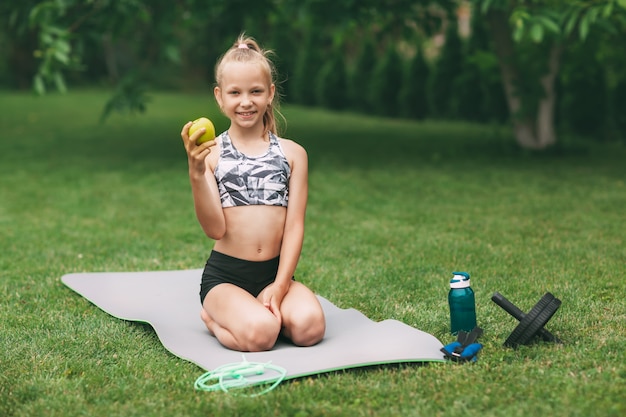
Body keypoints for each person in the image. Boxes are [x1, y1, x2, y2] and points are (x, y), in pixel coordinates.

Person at [180, 34, 326, 352]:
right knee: (262, 335)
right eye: (235, 93)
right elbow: (214, 230)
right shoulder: (212, 154)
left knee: (310, 329)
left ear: (270, 93)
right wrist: (196, 172)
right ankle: (214, 320)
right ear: (220, 97)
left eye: (255, 91)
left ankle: (265, 311)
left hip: (274, 273)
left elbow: (294, 226)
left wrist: (281, 284)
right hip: (226, 278)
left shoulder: (293, 154)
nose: (246, 102)